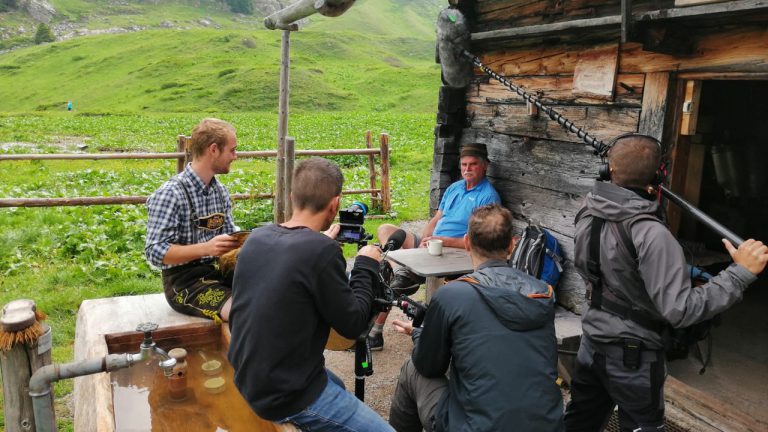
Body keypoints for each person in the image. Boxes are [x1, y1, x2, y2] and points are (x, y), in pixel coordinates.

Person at [564, 134, 768, 431]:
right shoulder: (652, 234)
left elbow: (619, 269)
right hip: (632, 358)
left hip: (592, 344)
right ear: (661, 175)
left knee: (579, 423)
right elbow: (680, 310)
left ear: (608, 171)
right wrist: (740, 273)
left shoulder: (587, 211)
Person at [227, 157, 394, 432]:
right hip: (283, 394)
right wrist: (366, 264)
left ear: (293, 197)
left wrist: (319, 243)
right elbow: (352, 324)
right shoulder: (320, 252)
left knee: (337, 386)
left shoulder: (258, 237)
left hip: (249, 375)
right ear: (335, 204)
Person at [388, 204, 564, 432]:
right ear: (512, 245)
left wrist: (421, 335)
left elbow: (429, 366)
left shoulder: (452, 294)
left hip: (474, 427)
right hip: (545, 426)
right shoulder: (543, 293)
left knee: (412, 369)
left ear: (467, 243)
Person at [369, 143, 501, 350]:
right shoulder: (455, 188)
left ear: (485, 167)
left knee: (395, 282)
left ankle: (375, 333)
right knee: (386, 229)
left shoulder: (488, 197)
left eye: (473, 164)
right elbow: (436, 218)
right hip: (432, 245)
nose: (467, 169)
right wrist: (425, 239)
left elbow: (479, 242)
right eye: (464, 164)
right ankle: (397, 267)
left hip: (456, 252)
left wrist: (443, 241)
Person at [145, 118, 240, 322]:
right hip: (184, 282)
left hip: (219, 270)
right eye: (232, 150)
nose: (235, 156)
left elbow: (232, 236)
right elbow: (154, 251)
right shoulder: (171, 193)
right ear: (213, 149)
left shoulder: (220, 192)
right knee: (240, 311)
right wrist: (206, 248)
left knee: (271, 291)